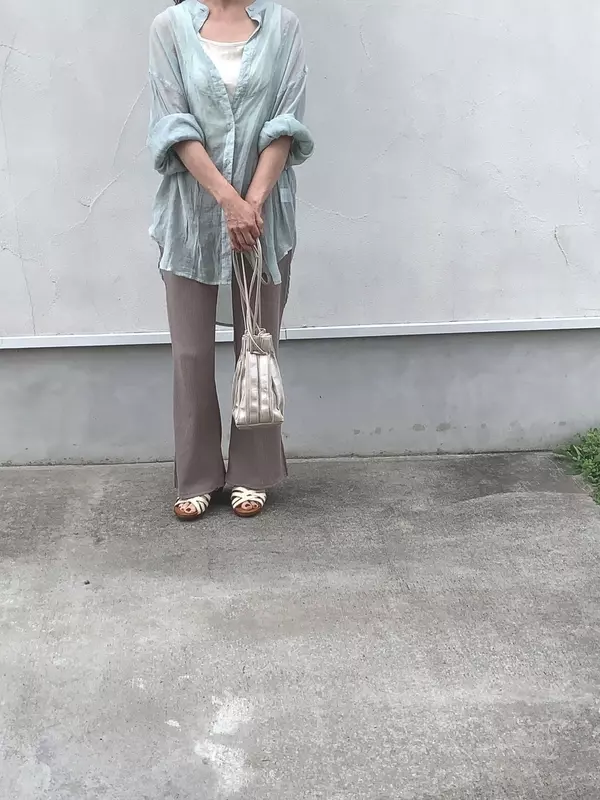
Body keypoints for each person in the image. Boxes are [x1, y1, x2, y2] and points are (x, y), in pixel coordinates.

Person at [148, 0, 314, 520]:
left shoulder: (283, 26)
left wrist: (253, 203)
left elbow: (286, 121)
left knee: (259, 345)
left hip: (265, 216)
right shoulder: (169, 28)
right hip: (191, 217)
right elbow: (173, 125)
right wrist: (229, 202)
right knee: (190, 354)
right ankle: (196, 474)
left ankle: (252, 472)